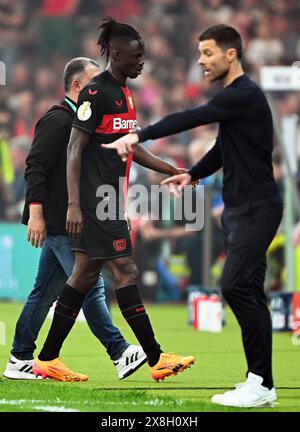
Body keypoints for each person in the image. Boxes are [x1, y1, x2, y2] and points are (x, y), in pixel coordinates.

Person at [104, 24, 283, 407]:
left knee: (236, 286)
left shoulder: (244, 94)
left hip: (257, 207)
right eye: (200, 53)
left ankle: (262, 383)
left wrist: (139, 135)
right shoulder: (235, 99)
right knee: (246, 289)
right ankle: (260, 381)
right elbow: (223, 146)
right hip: (239, 209)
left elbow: (192, 117)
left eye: (208, 53)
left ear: (230, 54)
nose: (201, 61)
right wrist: (193, 174)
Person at [32, 18, 195, 383]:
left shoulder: (127, 93)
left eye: (144, 56)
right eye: (136, 57)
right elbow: (74, 149)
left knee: (83, 277)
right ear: (117, 55)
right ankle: (156, 358)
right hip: (96, 203)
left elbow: (130, 145)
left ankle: (47, 358)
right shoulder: (96, 93)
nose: (142, 63)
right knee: (126, 272)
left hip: (110, 200)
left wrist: (170, 168)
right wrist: (74, 205)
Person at [3, 57, 148, 382]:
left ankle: (20, 358)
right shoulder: (58, 119)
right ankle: (120, 351)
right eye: (95, 82)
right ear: (79, 86)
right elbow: (35, 166)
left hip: (73, 219)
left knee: (44, 292)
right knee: (90, 285)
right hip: (60, 220)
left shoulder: (86, 120)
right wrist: (36, 213)